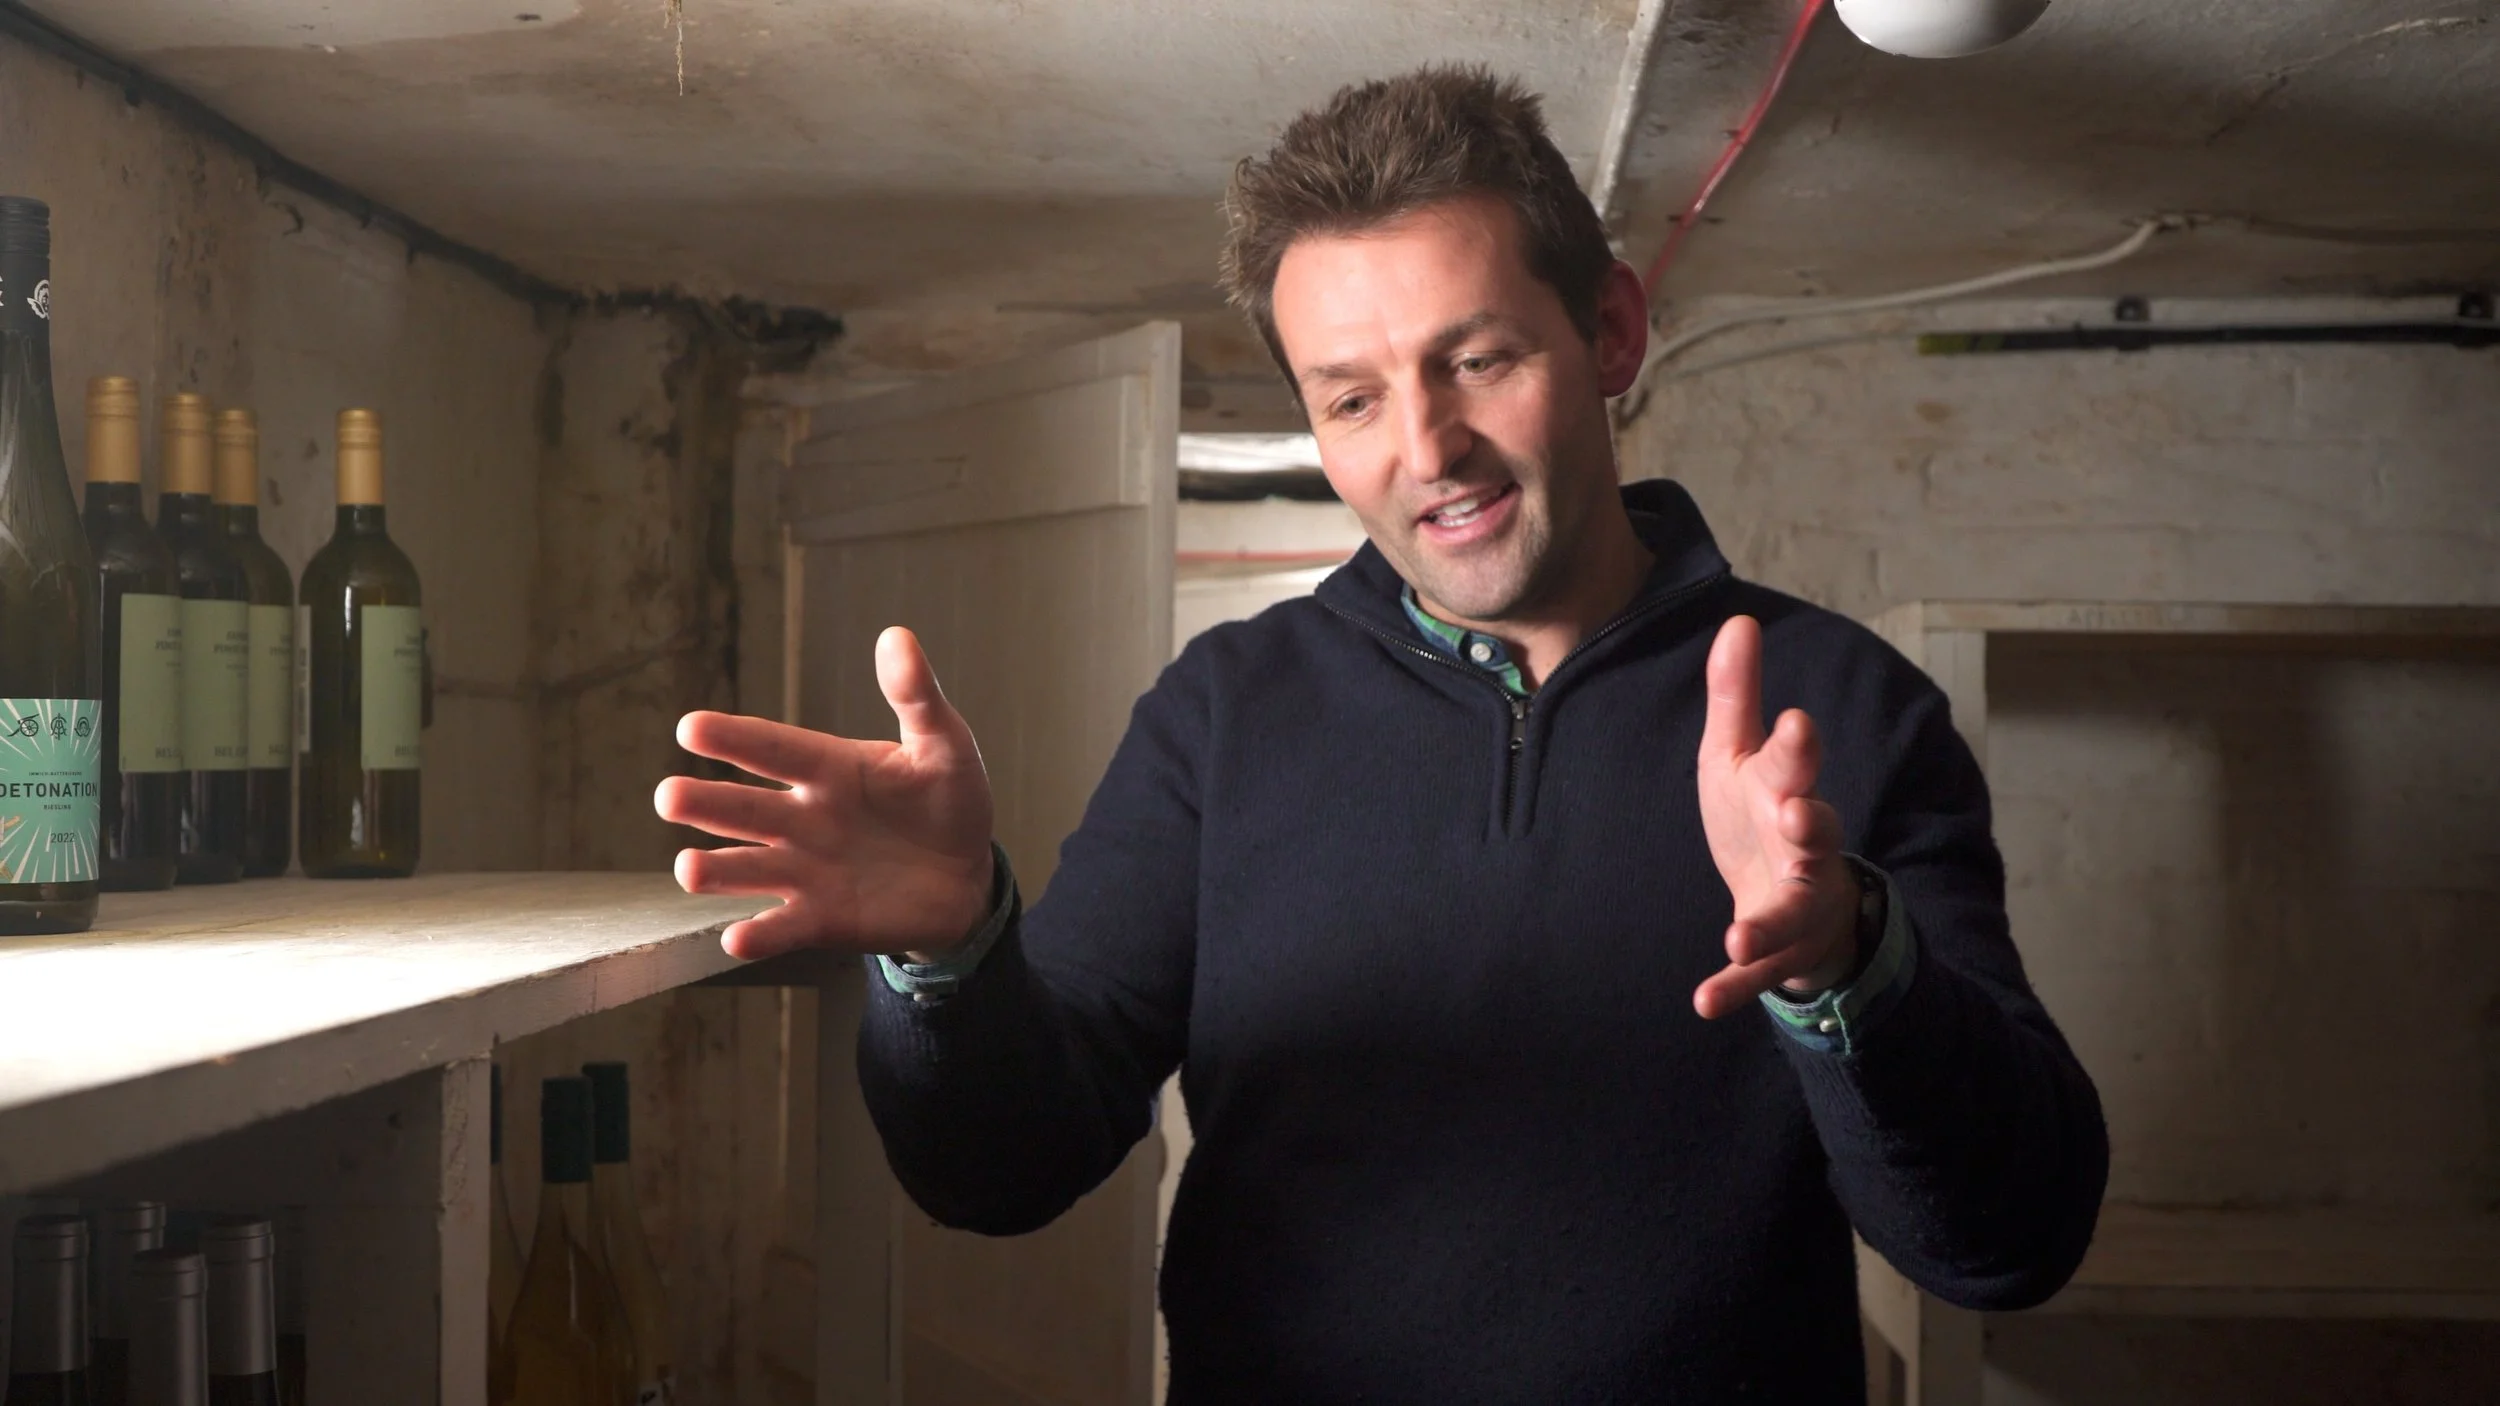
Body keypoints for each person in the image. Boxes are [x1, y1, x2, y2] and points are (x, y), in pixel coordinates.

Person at [655, 65, 2105, 1404]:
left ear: (1609, 330)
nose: (1426, 449)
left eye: (1476, 362)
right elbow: (1002, 1167)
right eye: (1352, 399)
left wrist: (1850, 961)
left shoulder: (1840, 709)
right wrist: (954, 956)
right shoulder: (1221, 716)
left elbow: (2010, 1243)